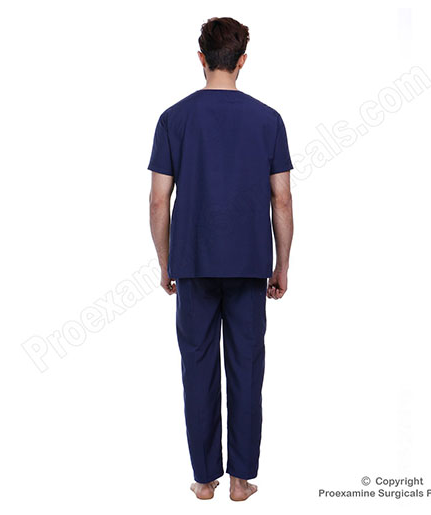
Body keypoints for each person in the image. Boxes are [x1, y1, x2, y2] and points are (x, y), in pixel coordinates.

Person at [148, 16, 294, 501]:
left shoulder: (174, 119)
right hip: (250, 262)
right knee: (247, 368)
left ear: (201, 58)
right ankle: (240, 479)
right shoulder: (268, 120)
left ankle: (204, 478)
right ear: (242, 60)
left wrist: (166, 262)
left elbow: (158, 200)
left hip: (193, 261)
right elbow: (281, 200)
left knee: (198, 368)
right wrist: (282, 265)